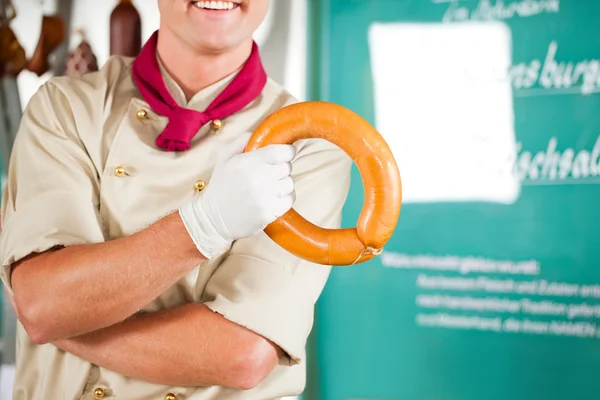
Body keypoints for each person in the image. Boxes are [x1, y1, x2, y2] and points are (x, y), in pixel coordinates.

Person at [0, 1, 352, 399]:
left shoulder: (309, 145)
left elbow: (243, 354)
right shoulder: (64, 110)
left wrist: (65, 323)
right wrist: (204, 226)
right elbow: (44, 305)